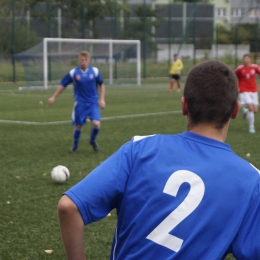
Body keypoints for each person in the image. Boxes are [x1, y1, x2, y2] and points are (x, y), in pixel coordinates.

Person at [57, 60, 260, 260]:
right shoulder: (251, 180)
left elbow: (69, 207)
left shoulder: (141, 149)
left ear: (184, 106)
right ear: (235, 110)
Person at [48, 50, 106, 153]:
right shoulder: (74, 73)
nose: (84, 62)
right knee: (79, 126)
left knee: (96, 124)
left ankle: (92, 141)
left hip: (93, 103)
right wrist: (54, 97)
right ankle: (75, 146)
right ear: (79, 60)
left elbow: (101, 84)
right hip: (80, 103)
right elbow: (63, 85)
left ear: (89, 60)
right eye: (82, 60)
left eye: (86, 60)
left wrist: (102, 99)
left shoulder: (95, 71)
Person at [234, 53, 260, 134]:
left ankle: (245, 112)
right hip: (244, 90)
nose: (246, 60)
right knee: (251, 108)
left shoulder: (255, 67)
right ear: (243, 60)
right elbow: (233, 76)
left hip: (254, 90)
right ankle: (251, 127)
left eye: (247, 58)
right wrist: (236, 87)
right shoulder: (240, 69)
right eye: (245, 58)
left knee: (255, 110)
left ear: (250, 59)